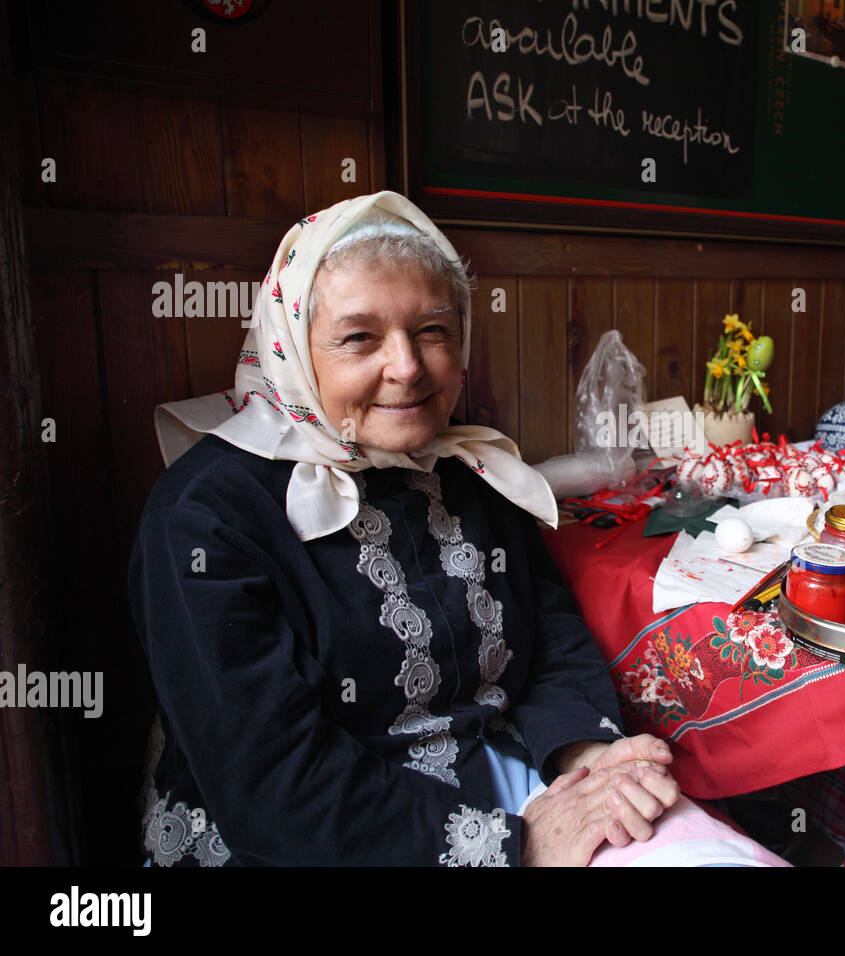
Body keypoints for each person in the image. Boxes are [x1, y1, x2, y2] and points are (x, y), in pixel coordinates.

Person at [130, 190, 785, 867]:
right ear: (291, 346)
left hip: (503, 786)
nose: (408, 367)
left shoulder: (467, 469)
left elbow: (550, 640)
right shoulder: (204, 519)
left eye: (433, 330)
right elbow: (275, 794)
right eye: (359, 337)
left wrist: (588, 759)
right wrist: (522, 845)